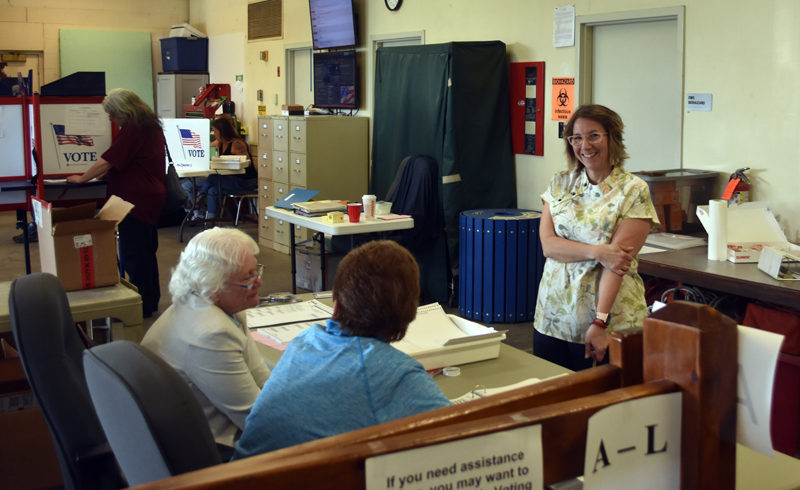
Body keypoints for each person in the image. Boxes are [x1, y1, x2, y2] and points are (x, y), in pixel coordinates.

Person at [233, 240, 451, 459]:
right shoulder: (394, 374)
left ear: (335, 304)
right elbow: (465, 437)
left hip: (238, 476)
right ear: (410, 313)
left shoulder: (304, 341)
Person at [532, 104, 659, 371]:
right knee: (552, 402)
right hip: (552, 315)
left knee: (603, 406)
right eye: (576, 138)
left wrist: (600, 322)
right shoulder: (560, 183)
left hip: (607, 321)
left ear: (612, 138)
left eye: (593, 135)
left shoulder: (633, 190)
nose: (584, 145)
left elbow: (617, 264)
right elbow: (548, 246)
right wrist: (598, 252)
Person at [141, 227, 270, 458]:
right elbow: (256, 419)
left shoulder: (218, 306)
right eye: (248, 278)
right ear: (213, 288)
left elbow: (261, 376)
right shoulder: (211, 333)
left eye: (256, 271)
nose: (258, 282)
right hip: (214, 450)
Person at [66, 88, 165, 317]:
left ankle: (139, 306)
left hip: (134, 200)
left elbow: (107, 160)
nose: (111, 119)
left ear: (124, 111)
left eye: (112, 114)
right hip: (150, 197)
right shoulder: (150, 126)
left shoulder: (134, 129)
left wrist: (82, 178)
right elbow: (126, 160)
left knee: (134, 255)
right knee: (146, 253)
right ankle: (149, 302)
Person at [200, 116, 257, 220]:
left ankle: (198, 198)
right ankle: (210, 220)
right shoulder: (221, 143)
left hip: (246, 181)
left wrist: (231, 161)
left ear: (222, 132)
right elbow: (207, 146)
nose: (214, 133)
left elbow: (247, 162)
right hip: (233, 179)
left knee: (213, 177)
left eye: (215, 131)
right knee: (213, 190)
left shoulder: (236, 144)